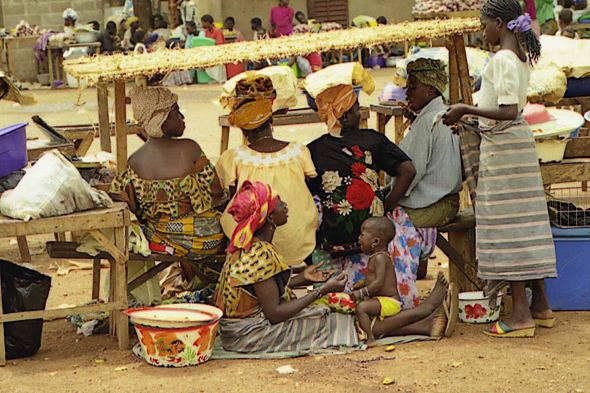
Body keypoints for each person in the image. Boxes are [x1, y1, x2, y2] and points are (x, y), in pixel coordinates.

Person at [215, 181, 455, 353]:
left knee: (340, 313)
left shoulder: (248, 245)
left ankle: (426, 325)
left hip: (243, 328)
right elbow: (275, 313)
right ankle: (425, 313)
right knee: (338, 320)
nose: (285, 206)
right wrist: (323, 290)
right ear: (268, 217)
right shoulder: (259, 253)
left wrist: (302, 279)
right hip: (251, 334)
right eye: (279, 203)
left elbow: (260, 291)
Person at [443, 0, 557, 338]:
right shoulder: (518, 57)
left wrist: (465, 107)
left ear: (499, 23)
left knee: (508, 227)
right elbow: (502, 108)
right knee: (524, 222)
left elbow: (506, 111)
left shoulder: (505, 59)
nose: (482, 31)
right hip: (514, 147)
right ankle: (541, 306)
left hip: (506, 151)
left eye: (484, 25)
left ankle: (520, 314)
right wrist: (470, 115)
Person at [307, 84, 436, 313]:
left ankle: (343, 299)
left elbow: (311, 191)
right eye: (356, 109)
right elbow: (408, 170)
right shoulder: (372, 140)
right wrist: (386, 206)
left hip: (334, 241)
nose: (360, 112)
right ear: (345, 116)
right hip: (373, 236)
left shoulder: (314, 150)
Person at [110, 87, 227, 297]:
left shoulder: (134, 161)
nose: (182, 118)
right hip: (206, 241)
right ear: (162, 119)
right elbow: (216, 194)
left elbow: (135, 209)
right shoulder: (190, 148)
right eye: (176, 112)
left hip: (161, 242)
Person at [216, 75, 319, 267]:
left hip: (255, 241)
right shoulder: (298, 151)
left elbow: (234, 201)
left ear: (244, 131)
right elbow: (311, 187)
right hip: (297, 235)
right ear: (271, 119)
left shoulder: (234, 158)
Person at [387, 58, 462, 229]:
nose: (407, 93)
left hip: (433, 205)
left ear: (430, 89)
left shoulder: (428, 121)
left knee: (380, 227)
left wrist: (387, 203)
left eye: (413, 87)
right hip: (448, 203)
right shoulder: (444, 114)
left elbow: (411, 172)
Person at [353, 217, 401, 347]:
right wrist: (362, 283)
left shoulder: (380, 258)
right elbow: (375, 279)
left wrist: (362, 292)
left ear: (375, 241)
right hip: (382, 300)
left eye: (362, 235)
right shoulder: (376, 256)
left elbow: (379, 282)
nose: (359, 238)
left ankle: (370, 338)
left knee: (361, 307)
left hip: (390, 301)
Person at [201, 14, 227, 83]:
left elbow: (219, 44)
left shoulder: (217, 31)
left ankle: (218, 79)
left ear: (208, 22)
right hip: (210, 52)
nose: (202, 24)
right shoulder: (206, 31)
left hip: (218, 53)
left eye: (203, 22)